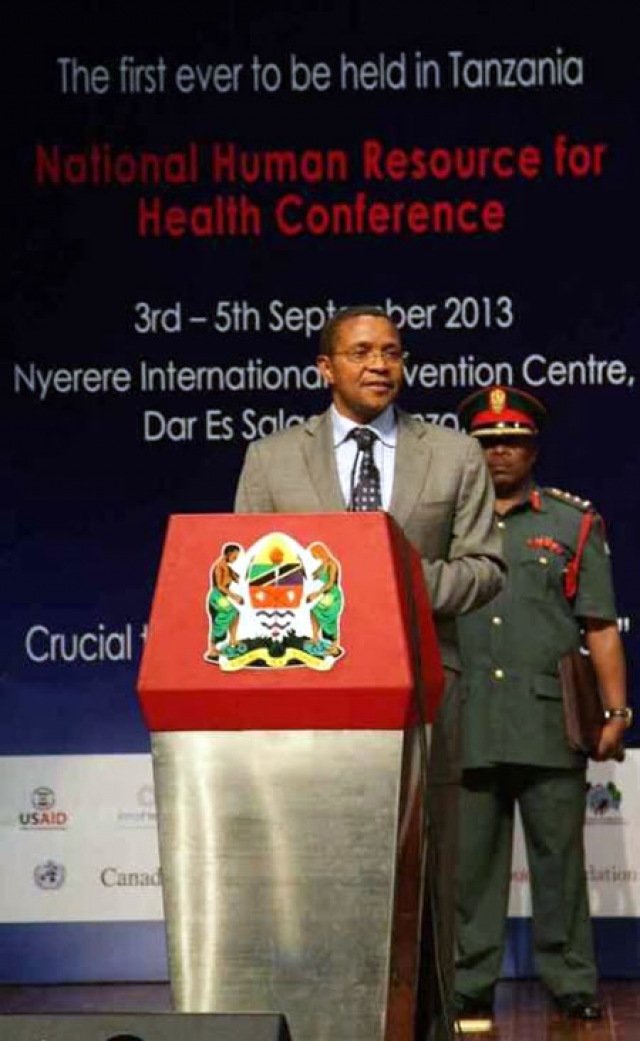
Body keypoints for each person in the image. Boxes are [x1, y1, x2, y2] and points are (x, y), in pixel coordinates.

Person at [234, 304, 506, 1039]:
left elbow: (486, 568)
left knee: (427, 879)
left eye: (391, 351)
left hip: (423, 694)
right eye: (360, 352)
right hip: (305, 701)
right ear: (326, 368)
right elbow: (244, 577)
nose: (379, 364)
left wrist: (397, 585)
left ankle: (428, 1024)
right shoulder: (270, 459)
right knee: (312, 876)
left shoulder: (452, 454)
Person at [454, 385, 631, 1026]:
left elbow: (600, 626)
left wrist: (616, 712)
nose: (501, 452)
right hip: (467, 716)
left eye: (514, 441)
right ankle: (468, 983)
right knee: (471, 867)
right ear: (470, 450)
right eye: (488, 442)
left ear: (533, 449)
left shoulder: (571, 521)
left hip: (549, 720)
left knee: (560, 862)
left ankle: (571, 980)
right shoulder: (445, 520)